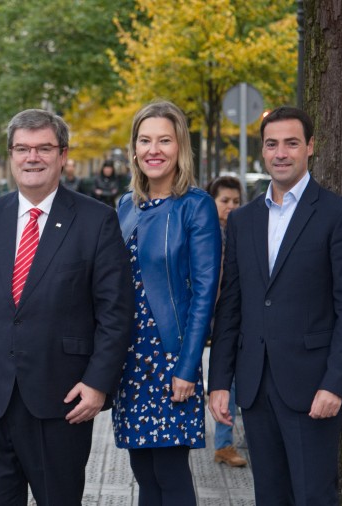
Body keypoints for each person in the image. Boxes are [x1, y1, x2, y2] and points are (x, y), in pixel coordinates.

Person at [0, 108, 133, 505]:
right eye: (23, 149)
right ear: (11, 155)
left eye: (44, 148)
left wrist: (97, 384)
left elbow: (116, 312)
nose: (33, 158)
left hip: (61, 400)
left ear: (63, 155)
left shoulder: (97, 220)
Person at [209, 106, 342, 506]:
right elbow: (231, 306)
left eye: (291, 143)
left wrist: (335, 383)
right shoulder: (244, 220)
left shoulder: (340, 215)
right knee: (269, 496)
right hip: (255, 387)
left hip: (312, 388)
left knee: (314, 496)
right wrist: (218, 382)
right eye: (272, 144)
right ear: (262, 151)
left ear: (310, 147)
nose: (281, 153)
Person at [111, 100, 222, 505]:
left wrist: (188, 366)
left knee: (170, 472)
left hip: (170, 357)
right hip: (129, 358)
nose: (153, 149)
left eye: (164, 140)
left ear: (180, 148)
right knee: (144, 473)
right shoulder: (126, 206)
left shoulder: (196, 205)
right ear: (134, 148)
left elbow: (204, 292)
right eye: (145, 140)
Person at [205, 175, 247, 468]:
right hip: (216, 316)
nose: (230, 207)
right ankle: (223, 443)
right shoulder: (209, 234)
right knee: (224, 379)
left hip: (234, 315)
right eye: (224, 201)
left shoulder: (239, 231)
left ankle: (225, 441)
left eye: (235, 201)